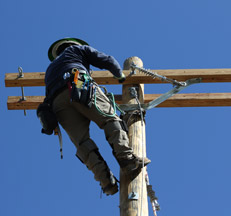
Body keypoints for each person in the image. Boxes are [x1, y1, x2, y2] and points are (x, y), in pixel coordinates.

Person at [42, 38, 150, 196]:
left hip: (57, 103)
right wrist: (119, 75)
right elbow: (106, 60)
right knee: (110, 120)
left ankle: (106, 181)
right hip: (78, 83)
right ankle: (127, 160)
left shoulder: (50, 70)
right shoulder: (76, 50)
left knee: (82, 142)